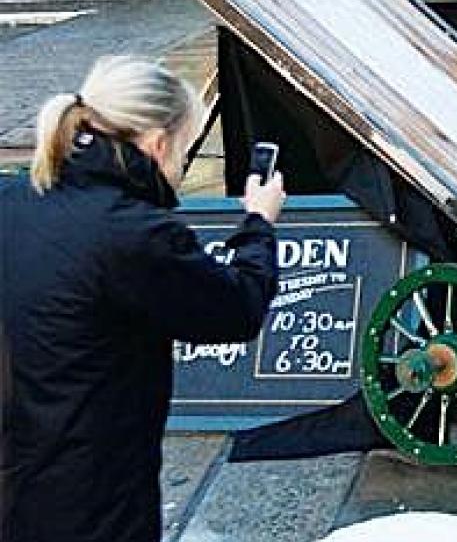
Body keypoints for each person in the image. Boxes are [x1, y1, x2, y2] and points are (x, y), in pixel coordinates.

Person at [0, 56, 286, 542]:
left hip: (18, 473)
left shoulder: (15, 200)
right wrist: (258, 224)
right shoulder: (134, 234)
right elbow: (236, 309)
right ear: (157, 143)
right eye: (186, 149)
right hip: (93, 491)